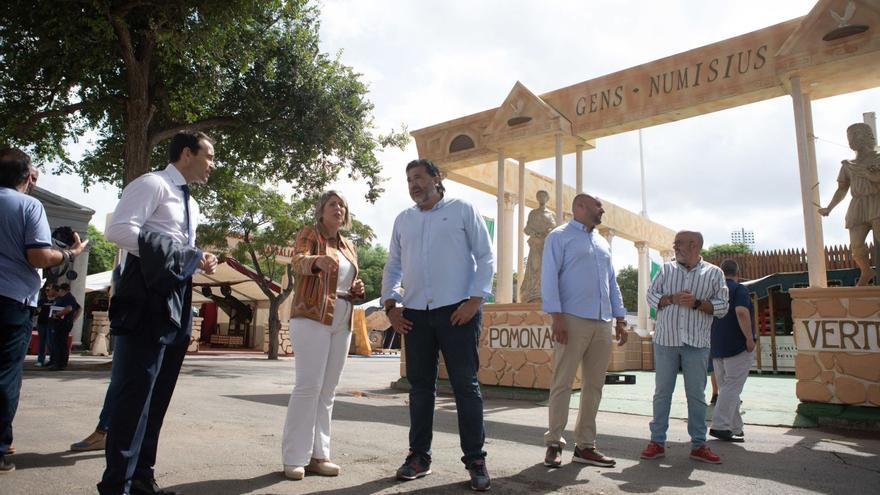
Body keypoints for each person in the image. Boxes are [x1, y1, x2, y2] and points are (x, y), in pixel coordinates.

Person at [98, 131, 218, 495]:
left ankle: (140, 478)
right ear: (186, 153)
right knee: (135, 392)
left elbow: (179, 253)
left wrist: (197, 259)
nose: (213, 164)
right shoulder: (152, 184)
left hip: (176, 296)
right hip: (145, 294)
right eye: (209, 155)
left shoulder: (191, 203)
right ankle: (116, 483)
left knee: (159, 392)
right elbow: (118, 230)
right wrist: (180, 255)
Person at [383, 159, 495, 491]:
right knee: (420, 390)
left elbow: (485, 256)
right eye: (408, 180)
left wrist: (475, 300)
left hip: (458, 313)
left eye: (418, 177)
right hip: (415, 315)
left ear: (436, 178)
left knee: (465, 387)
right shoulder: (403, 219)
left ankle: (475, 459)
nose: (413, 184)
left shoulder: (462, 209)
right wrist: (390, 304)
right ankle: (419, 457)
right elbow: (393, 265)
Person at [0, 148, 87, 473]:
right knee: (6, 372)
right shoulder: (28, 205)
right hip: (11, 300)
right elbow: (38, 256)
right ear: (25, 177)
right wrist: (68, 254)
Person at [281, 190, 365, 481]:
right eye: (333, 204)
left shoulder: (349, 246)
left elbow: (350, 278)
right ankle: (294, 457)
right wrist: (316, 261)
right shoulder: (309, 234)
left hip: (342, 318)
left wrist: (358, 287)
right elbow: (298, 261)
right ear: (321, 210)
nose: (338, 208)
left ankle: (320, 455)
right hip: (312, 316)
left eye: (342, 204)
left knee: (328, 390)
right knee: (308, 386)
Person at [541, 194, 628, 468]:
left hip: (602, 323)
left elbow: (611, 282)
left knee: (594, 385)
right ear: (580, 206)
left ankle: (585, 446)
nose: (602, 210)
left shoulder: (602, 242)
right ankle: (554, 443)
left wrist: (621, 318)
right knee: (563, 382)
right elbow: (549, 276)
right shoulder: (559, 236)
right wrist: (556, 316)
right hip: (571, 319)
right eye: (598, 205)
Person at [641, 231, 728, 464]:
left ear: (694, 245)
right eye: (675, 243)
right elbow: (650, 295)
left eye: (679, 243)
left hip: (697, 342)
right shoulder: (666, 269)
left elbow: (722, 306)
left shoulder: (714, 273)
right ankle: (657, 442)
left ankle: (699, 445)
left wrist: (697, 303)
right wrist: (670, 298)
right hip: (666, 341)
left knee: (697, 396)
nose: (675, 247)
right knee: (662, 394)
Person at [818, 123, 880, 286]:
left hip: (877, 201)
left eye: (855, 135)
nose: (851, 140)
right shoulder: (848, 165)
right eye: (849, 136)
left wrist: (870, 174)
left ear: (866, 136)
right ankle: (866, 271)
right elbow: (842, 189)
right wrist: (829, 208)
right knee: (856, 247)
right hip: (858, 204)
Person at [709, 259, 755, 442]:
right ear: (737, 273)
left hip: (717, 344)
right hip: (737, 344)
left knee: (727, 387)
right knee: (732, 386)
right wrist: (749, 338)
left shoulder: (713, 291)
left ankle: (735, 427)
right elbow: (742, 312)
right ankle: (720, 425)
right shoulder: (739, 289)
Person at [519, 190, 556, 303]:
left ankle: (543, 292)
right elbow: (526, 229)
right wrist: (534, 232)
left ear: (547, 198)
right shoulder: (533, 213)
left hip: (546, 244)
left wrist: (548, 232)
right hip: (535, 244)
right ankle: (533, 293)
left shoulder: (551, 214)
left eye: (544, 196)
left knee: (545, 267)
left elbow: (555, 229)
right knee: (534, 267)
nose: (541, 198)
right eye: (539, 196)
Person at [46, 283, 80, 371]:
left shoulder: (69, 298)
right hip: (58, 323)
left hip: (63, 323)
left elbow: (69, 308)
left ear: (63, 290)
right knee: (56, 342)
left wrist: (58, 314)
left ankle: (60, 363)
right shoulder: (60, 298)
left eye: (60, 290)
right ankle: (55, 361)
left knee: (60, 343)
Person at [35, 283, 57, 367]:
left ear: (54, 291)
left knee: (50, 342)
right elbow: (36, 312)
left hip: (52, 324)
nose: (47, 291)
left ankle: (52, 360)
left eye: (49, 289)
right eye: (46, 290)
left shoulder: (57, 300)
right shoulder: (42, 301)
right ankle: (40, 360)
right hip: (41, 323)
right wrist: (37, 311)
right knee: (42, 343)